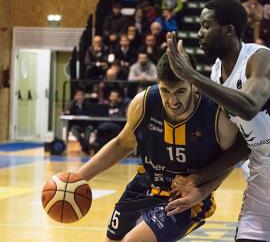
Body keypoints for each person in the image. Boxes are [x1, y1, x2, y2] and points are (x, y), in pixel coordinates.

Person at [165, 0, 270, 242]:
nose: (200, 33)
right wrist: (196, 179)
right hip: (260, 169)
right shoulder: (216, 73)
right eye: (199, 26)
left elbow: (249, 106)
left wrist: (190, 75)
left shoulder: (260, 58)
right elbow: (243, 145)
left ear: (229, 30)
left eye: (206, 26)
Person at [75, 53, 249, 242]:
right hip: (145, 184)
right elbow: (122, 143)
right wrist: (78, 177)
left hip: (186, 195)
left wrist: (202, 191)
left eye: (180, 91)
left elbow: (230, 160)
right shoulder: (143, 103)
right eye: (165, 91)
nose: (172, 101)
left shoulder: (216, 114)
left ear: (193, 85)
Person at [65, 89, 94, 155]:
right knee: (74, 130)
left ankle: (85, 149)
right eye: (77, 95)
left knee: (86, 138)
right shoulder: (72, 104)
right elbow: (69, 111)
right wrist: (73, 102)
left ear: (84, 96)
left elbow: (89, 114)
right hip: (76, 125)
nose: (79, 97)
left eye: (81, 95)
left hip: (86, 125)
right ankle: (85, 149)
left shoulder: (88, 104)